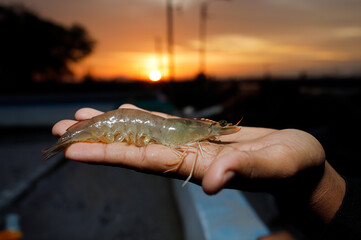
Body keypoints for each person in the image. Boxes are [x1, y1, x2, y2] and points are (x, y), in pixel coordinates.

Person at [51, 104, 360, 240]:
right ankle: (72, 137)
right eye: (212, 128)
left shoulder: (195, 130)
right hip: (117, 124)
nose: (214, 131)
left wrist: (318, 183)